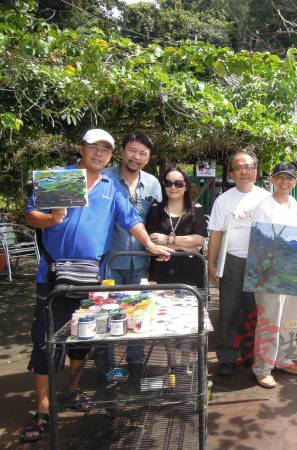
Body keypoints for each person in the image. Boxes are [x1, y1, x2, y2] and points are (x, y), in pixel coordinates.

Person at [20, 129, 172, 442]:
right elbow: (30, 215)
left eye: (106, 150)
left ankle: (73, 389)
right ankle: (43, 410)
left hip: (93, 278)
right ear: (82, 149)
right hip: (54, 278)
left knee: (83, 340)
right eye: (94, 148)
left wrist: (151, 245)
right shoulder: (61, 177)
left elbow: (130, 219)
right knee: (46, 343)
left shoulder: (111, 186)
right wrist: (50, 220)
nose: (99, 154)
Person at [98, 131, 162, 377]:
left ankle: (136, 363)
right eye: (132, 151)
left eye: (142, 154)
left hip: (142, 262)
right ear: (123, 152)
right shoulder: (104, 178)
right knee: (108, 312)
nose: (136, 157)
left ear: (148, 158)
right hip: (109, 261)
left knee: (139, 311)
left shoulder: (154, 184)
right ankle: (107, 366)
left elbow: (158, 220)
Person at [207, 150, 270, 376]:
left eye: (249, 167)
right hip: (231, 260)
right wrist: (211, 264)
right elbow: (215, 234)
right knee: (229, 309)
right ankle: (226, 356)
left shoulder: (266, 198)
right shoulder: (223, 200)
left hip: (259, 262)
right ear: (232, 172)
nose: (244, 171)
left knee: (254, 310)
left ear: (256, 171)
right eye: (239, 167)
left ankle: (249, 353)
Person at [251, 162, 297, 388]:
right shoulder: (264, 206)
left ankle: (284, 359)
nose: (285, 182)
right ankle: (262, 368)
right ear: (272, 180)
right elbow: (261, 241)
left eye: (289, 178)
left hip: (290, 271)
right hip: (269, 272)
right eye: (280, 177)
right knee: (269, 320)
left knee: (289, 318)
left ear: (294, 182)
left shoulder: (293, 203)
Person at [146, 166, 208, 286]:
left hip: (191, 270)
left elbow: (199, 241)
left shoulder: (196, 209)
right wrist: (186, 248)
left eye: (178, 184)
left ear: (186, 187)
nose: (173, 187)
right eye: (168, 183)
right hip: (161, 268)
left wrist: (167, 240)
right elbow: (153, 241)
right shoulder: (155, 209)